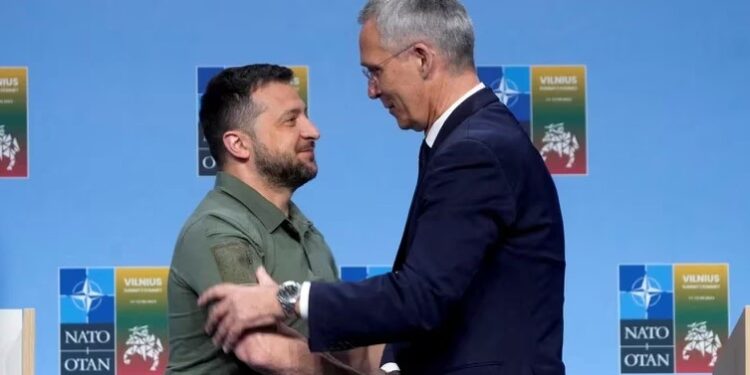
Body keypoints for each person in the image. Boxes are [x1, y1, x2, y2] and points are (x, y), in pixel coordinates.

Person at [199, 1, 566, 374]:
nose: (372, 91)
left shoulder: (475, 150)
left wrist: (285, 298)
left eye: (376, 71)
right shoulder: (474, 139)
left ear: (421, 58)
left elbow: (420, 297)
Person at [167, 64, 375, 374]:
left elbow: (348, 346)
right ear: (238, 144)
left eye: (305, 115)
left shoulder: (307, 232)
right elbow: (263, 349)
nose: (312, 131)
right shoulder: (218, 229)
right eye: (291, 120)